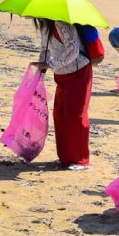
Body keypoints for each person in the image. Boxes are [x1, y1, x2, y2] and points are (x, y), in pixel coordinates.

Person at [30, 19, 104, 170]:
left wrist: (49, 65)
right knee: (60, 114)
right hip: (62, 74)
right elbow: (46, 49)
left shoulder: (61, 23)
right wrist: (40, 69)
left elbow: (73, 50)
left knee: (75, 116)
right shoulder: (45, 24)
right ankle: (65, 158)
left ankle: (80, 160)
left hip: (79, 72)